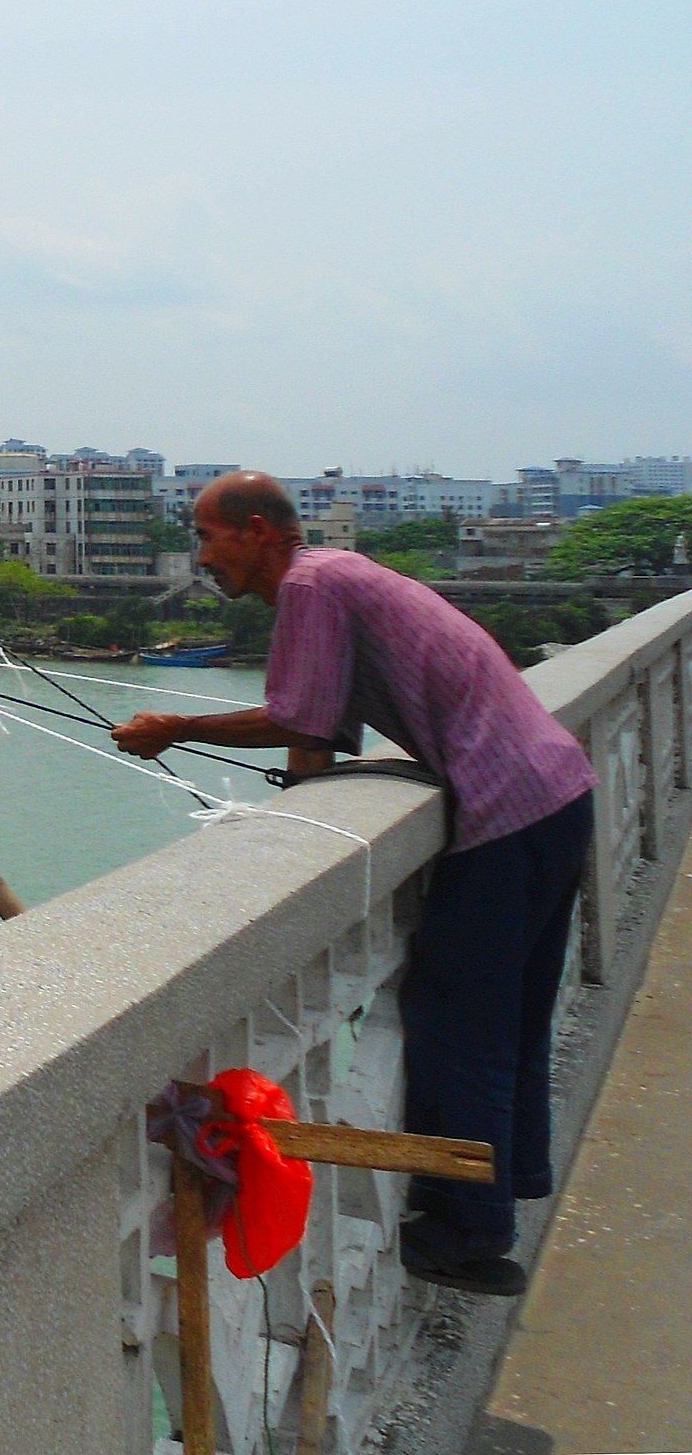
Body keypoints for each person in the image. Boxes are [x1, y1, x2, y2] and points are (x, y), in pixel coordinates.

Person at [111, 472, 595, 1296]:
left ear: (256, 530)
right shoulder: (331, 579)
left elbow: (301, 718)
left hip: (507, 807)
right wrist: (305, 804)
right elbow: (322, 728)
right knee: (509, 1015)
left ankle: (467, 1234)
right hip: (556, 792)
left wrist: (178, 727)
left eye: (208, 537)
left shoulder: (311, 583)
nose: (202, 557)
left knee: (456, 1018)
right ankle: (506, 1186)